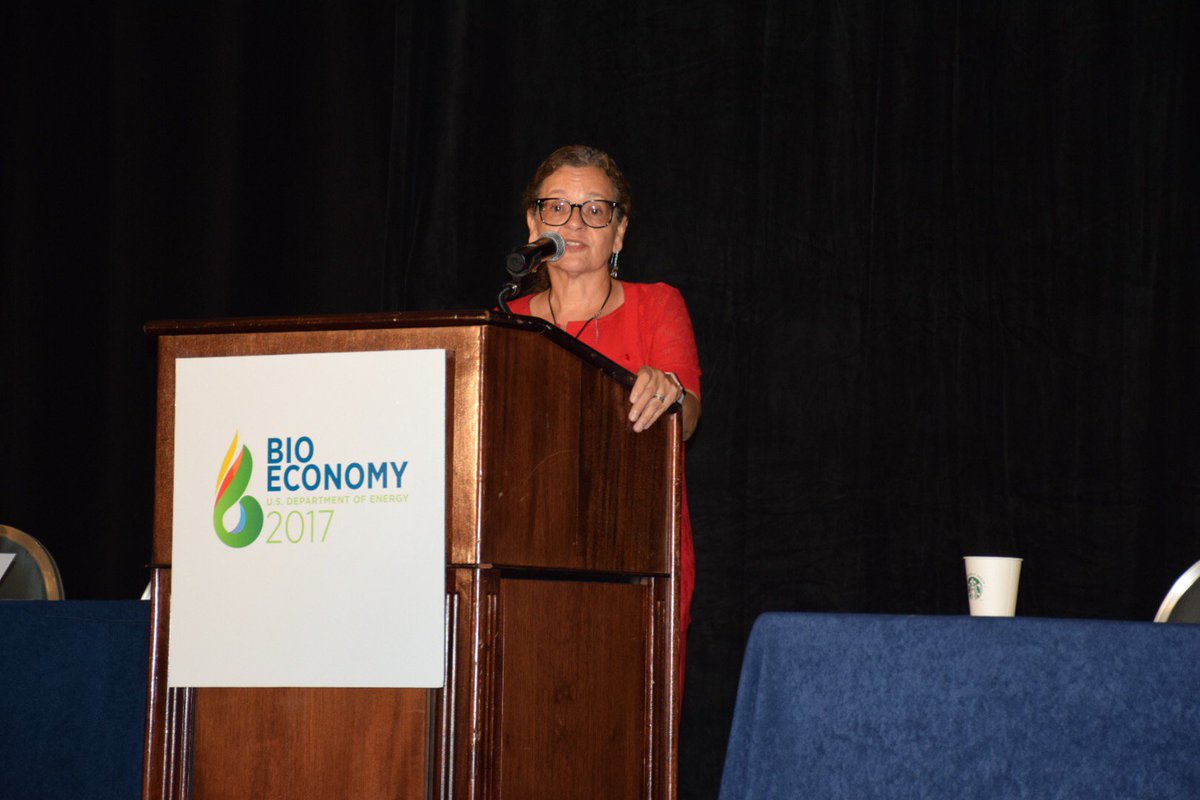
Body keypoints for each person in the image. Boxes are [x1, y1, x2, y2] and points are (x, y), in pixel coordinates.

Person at [508, 144, 702, 671]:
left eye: (595, 210)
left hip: (637, 563)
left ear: (618, 233)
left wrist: (670, 393)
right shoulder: (505, 321)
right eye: (557, 207)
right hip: (524, 561)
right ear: (534, 222)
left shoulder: (656, 306)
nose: (574, 222)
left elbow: (687, 418)